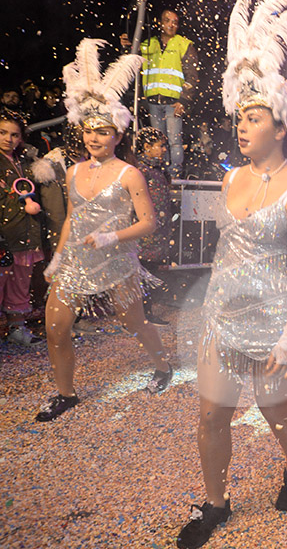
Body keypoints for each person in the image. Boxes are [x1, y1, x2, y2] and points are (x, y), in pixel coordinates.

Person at [174, 0, 287, 549]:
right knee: (212, 413)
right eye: (240, 116)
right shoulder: (231, 178)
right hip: (222, 313)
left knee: (272, 404)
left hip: (271, 317)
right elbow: (227, 250)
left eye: (255, 117)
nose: (242, 126)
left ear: (281, 125)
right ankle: (216, 504)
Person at [37, 39, 173, 422]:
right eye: (88, 131)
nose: (94, 138)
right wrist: (59, 257)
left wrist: (113, 237)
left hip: (116, 264)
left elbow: (150, 222)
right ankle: (66, 393)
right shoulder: (74, 171)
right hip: (76, 262)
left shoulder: (131, 174)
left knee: (134, 322)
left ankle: (162, 365)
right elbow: (71, 218)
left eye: (103, 131)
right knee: (56, 326)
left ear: (117, 135)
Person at [0, 107, 60, 346]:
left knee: (20, 283)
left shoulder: (25, 162)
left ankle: (17, 328)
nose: (8, 139)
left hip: (25, 235)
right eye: (3, 132)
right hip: (4, 237)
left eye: (14, 134)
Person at [121, 8, 199, 177]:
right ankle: (160, 173)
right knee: (157, 141)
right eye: (168, 21)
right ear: (160, 23)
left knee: (175, 141)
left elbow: (192, 76)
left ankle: (174, 175)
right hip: (154, 102)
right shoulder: (149, 44)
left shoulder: (183, 44)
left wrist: (184, 101)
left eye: (175, 22)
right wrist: (126, 47)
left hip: (174, 101)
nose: (171, 25)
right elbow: (132, 60)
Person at [134, 127, 174, 325]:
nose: (164, 149)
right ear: (146, 147)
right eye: (160, 146)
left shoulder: (157, 170)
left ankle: (144, 312)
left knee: (149, 272)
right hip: (146, 233)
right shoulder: (141, 171)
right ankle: (143, 314)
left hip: (157, 231)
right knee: (144, 273)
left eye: (165, 145)